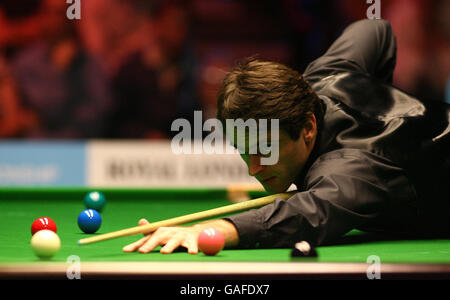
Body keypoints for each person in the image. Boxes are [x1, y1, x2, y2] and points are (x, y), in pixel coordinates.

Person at [123, 19, 450, 255]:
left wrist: (220, 229)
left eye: (265, 150)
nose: (253, 169)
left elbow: (310, 213)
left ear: (308, 129)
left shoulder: (350, 169)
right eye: (243, 151)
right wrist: (377, 98)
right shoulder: (324, 76)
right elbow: (375, 31)